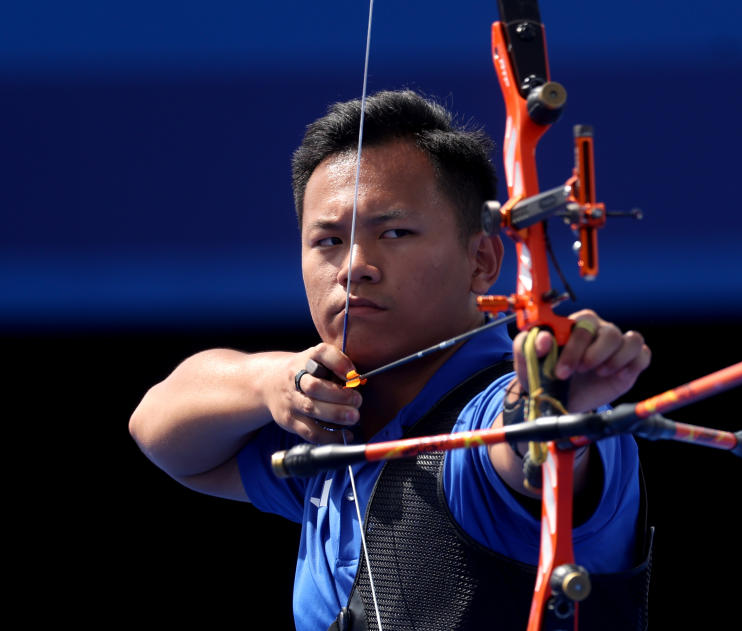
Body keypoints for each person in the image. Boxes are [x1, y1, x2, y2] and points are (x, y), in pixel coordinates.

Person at [129, 89, 653, 630]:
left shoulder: (488, 414)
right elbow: (157, 425)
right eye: (328, 240)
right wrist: (271, 382)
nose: (354, 267)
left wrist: (552, 407)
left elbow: (523, 454)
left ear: (482, 260)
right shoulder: (333, 423)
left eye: (395, 232)